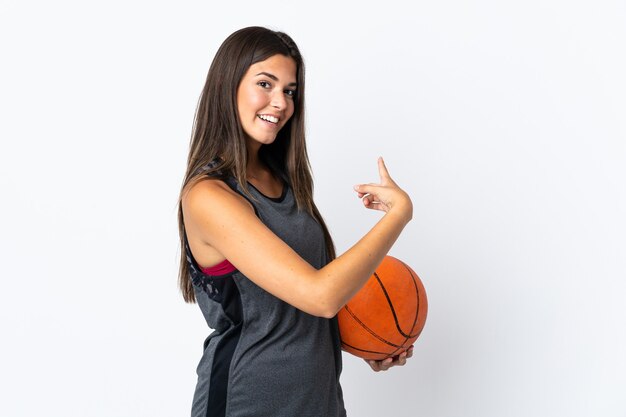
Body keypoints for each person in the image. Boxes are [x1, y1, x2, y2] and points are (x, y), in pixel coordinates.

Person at [177, 26, 414, 417]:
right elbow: (321, 296)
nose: (280, 102)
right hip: (247, 401)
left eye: (289, 90)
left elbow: (298, 308)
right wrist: (399, 214)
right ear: (228, 85)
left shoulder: (285, 184)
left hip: (318, 402)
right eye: (265, 84)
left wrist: (372, 336)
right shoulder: (209, 196)